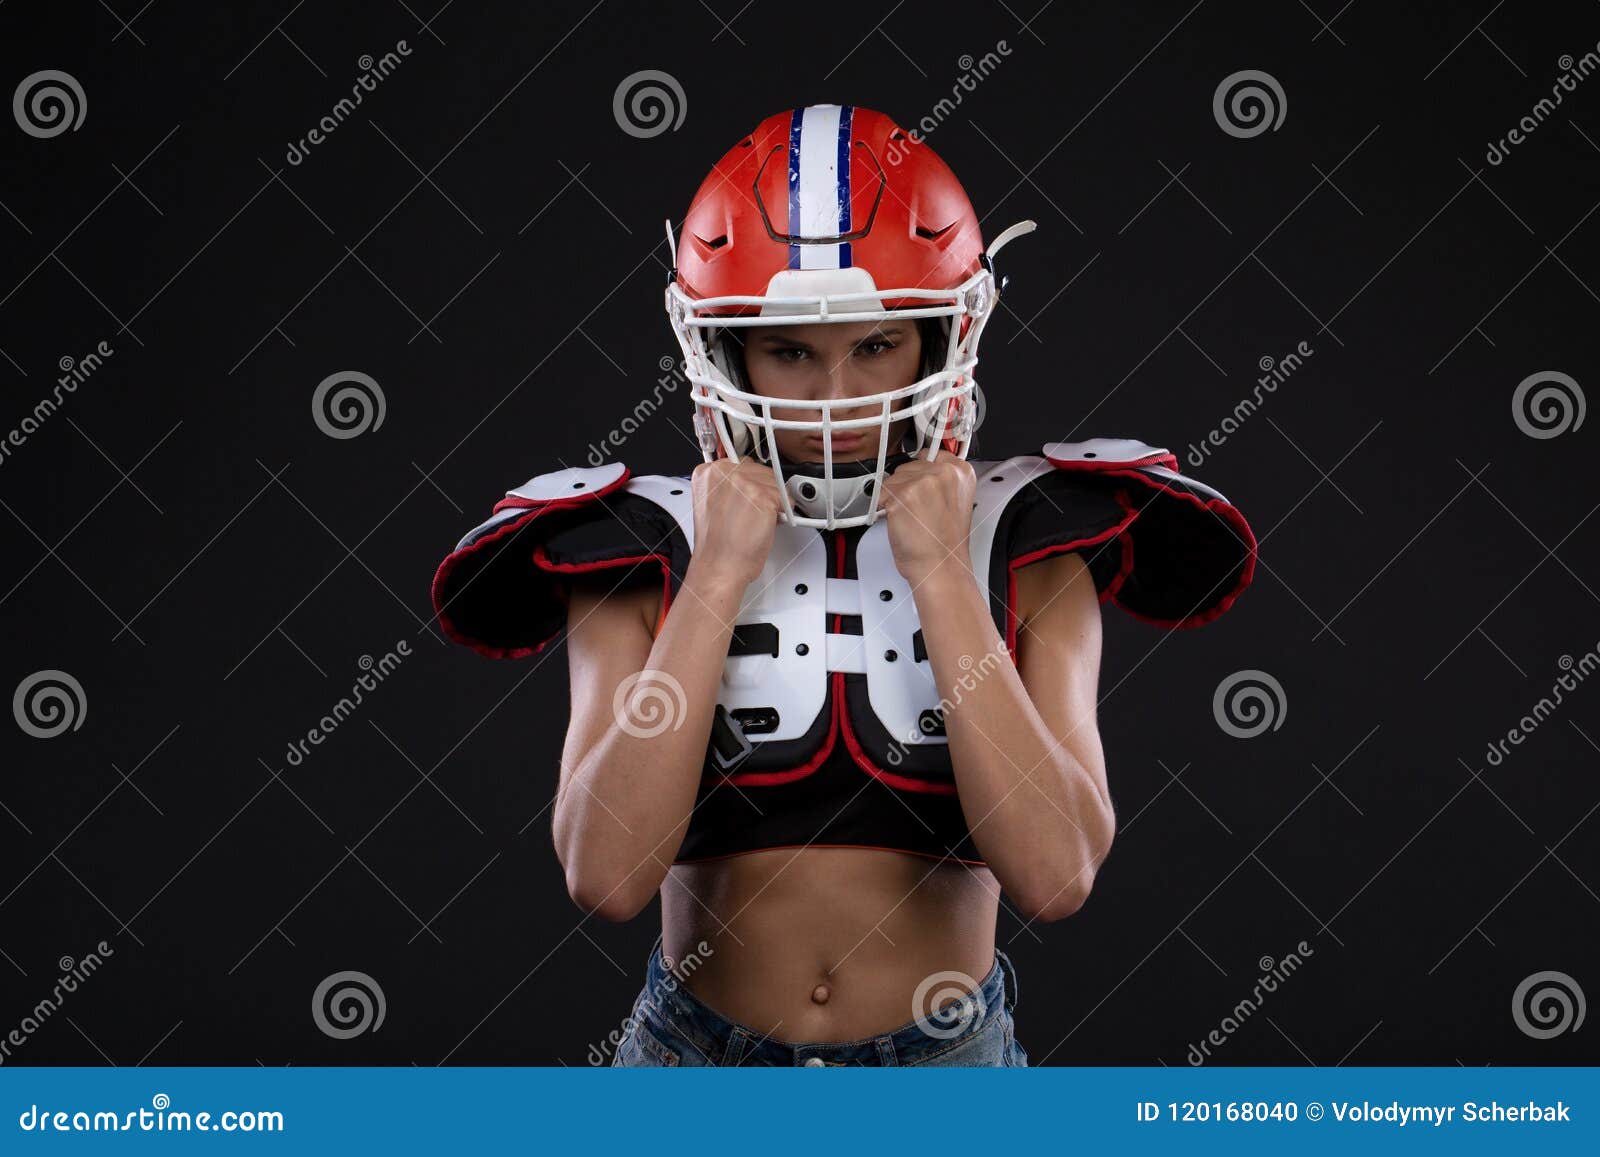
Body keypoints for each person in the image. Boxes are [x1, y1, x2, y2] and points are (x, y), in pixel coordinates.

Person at [431, 104, 1256, 1067]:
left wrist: (945, 576)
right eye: (791, 351)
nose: (837, 397)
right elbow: (606, 875)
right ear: (725, 351)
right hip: (695, 1065)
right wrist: (717, 577)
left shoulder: (1026, 534)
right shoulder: (644, 543)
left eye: (875, 347)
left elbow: (1058, 871)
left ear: (942, 338)